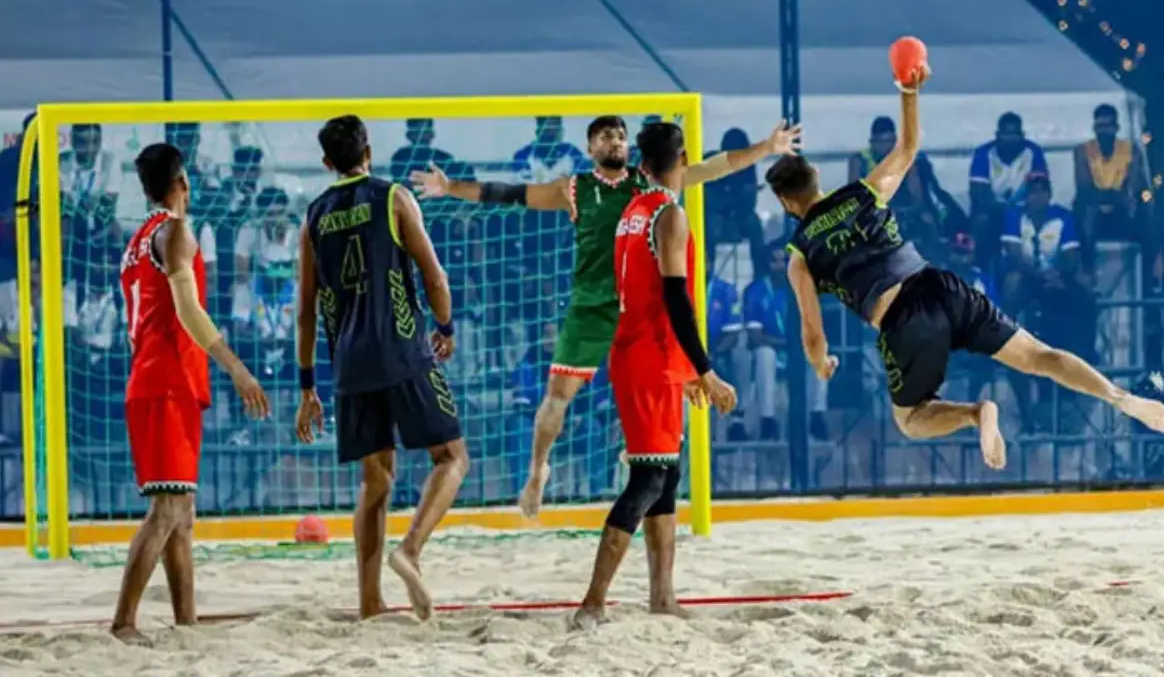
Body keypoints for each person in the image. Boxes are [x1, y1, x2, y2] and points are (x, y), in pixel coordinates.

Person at [765, 65, 1164, 470]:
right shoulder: (863, 193)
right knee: (1040, 356)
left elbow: (812, 333)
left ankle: (976, 413)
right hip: (940, 284)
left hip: (900, 318)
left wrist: (820, 363)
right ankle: (1121, 398)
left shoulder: (799, 254)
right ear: (816, 178)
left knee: (910, 419)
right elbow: (908, 147)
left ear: (785, 203)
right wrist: (908, 91)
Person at [412, 115, 799, 517]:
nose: (614, 140)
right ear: (590, 148)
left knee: (659, 393)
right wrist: (451, 187)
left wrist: (766, 148)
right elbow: (511, 193)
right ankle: (537, 471)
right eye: (604, 135)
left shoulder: (649, 181)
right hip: (590, 308)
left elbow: (715, 167)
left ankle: (638, 458)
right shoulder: (576, 188)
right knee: (557, 396)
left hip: (639, 309)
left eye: (619, 135)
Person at [293, 115, 467, 621]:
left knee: (375, 481)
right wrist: (446, 327)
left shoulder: (314, 215)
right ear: (369, 150)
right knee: (451, 458)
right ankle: (409, 550)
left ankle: (370, 602)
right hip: (401, 348)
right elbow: (434, 276)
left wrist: (307, 385)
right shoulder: (393, 198)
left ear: (328, 163)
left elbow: (305, 308)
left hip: (348, 363)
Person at [573, 122, 737, 629]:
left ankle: (662, 596)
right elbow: (674, 299)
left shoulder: (632, 211)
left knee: (667, 475)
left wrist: (686, 369)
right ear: (682, 159)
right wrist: (706, 370)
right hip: (650, 358)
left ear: (641, 162)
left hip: (642, 355)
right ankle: (592, 603)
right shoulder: (669, 214)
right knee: (648, 478)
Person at [112, 143, 270, 646]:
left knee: (181, 513)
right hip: (167, 382)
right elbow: (188, 311)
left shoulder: (137, 239)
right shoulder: (175, 232)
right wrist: (236, 368)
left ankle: (186, 622)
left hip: (158, 379)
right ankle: (123, 623)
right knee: (165, 512)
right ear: (183, 184)